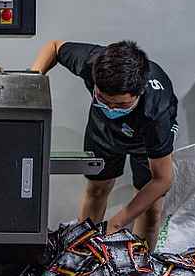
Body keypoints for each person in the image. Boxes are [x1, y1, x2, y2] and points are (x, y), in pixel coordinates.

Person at [30, 40, 178, 248]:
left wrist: (116, 224)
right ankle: (81, 254)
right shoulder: (93, 63)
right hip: (104, 130)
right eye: (103, 99)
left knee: (151, 210)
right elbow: (54, 47)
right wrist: (31, 86)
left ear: (140, 92)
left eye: (120, 104)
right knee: (97, 190)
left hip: (145, 139)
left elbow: (163, 179)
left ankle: (138, 268)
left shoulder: (156, 112)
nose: (111, 107)